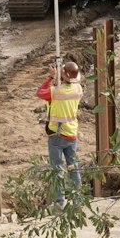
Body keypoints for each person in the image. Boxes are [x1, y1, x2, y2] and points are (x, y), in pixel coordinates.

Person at [36, 60, 83, 201]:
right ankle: (78, 199)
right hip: (72, 134)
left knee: (57, 170)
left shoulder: (55, 92)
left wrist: (51, 78)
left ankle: (59, 202)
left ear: (63, 76)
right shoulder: (78, 89)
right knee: (73, 167)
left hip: (57, 136)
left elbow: (39, 92)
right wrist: (60, 77)